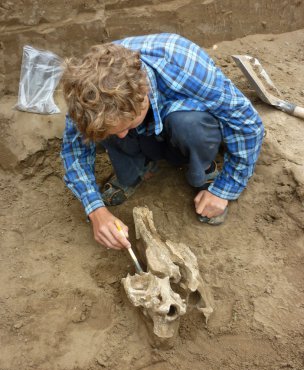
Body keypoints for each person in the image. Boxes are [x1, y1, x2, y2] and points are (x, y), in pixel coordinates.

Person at [60, 33, 264, 250]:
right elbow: (74, 151)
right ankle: (141, 166)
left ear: (143, 93)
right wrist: (96, 211)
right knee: (111, 135)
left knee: (190, 127)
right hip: (149, 125)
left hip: (183, 125)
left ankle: (203, 167)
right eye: (114, 132)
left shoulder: (185, 65)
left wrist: (225, 189)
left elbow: (248, 126)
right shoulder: (85, 96)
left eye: (128, 126)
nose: (121, 136)